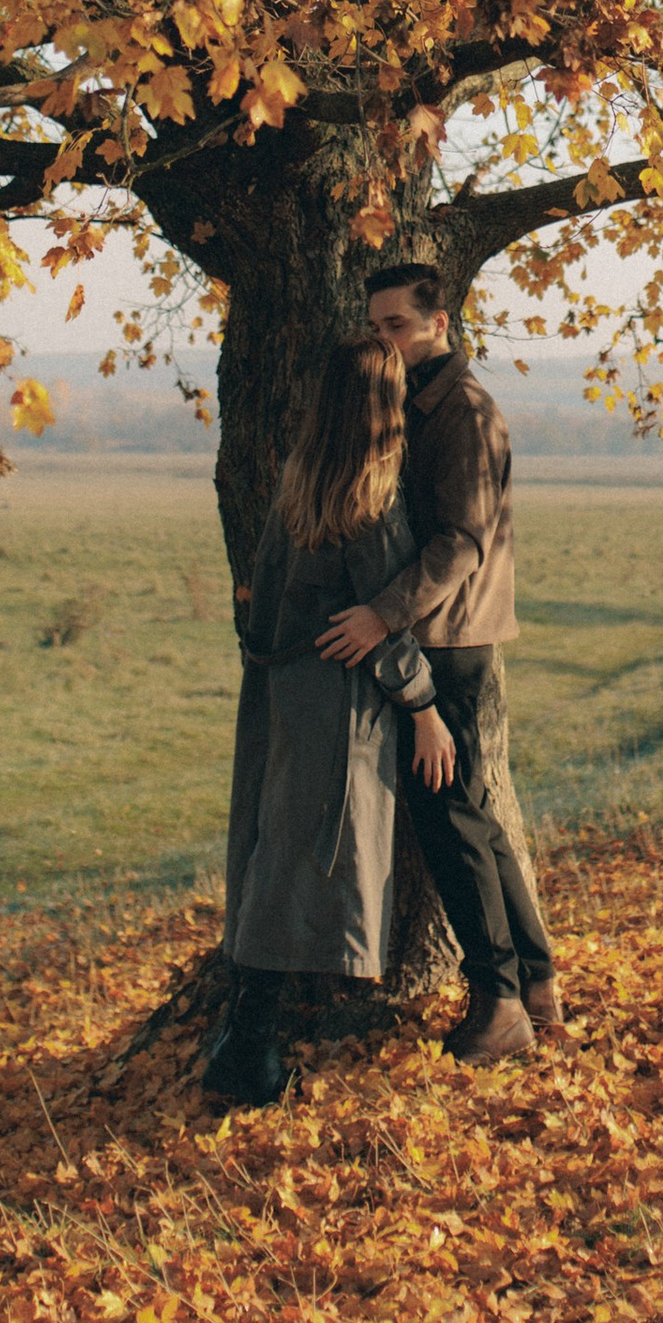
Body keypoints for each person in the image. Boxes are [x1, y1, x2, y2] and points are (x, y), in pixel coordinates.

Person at [317, 261, 564, 1067]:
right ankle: (535, 984)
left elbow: (461, 542)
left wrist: (382, 613)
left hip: (447, 641)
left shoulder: (461, 411)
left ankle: (498, 1004)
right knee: (473, 815)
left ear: (439, 323)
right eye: (376, 326)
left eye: (397, 325)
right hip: (442, 635)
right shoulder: (420, 402)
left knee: (451, 823)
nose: (385, 340)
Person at [205, 334, 457, 1109]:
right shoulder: (368, 497)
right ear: (383, 406)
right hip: (337, 709)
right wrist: (424, 707)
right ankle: (248, 1048)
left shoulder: (300, 477)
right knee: (303, 865)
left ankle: (245, 1038)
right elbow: (384, 627)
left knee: (276, 853)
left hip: (280, 697)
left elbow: (270, 599)